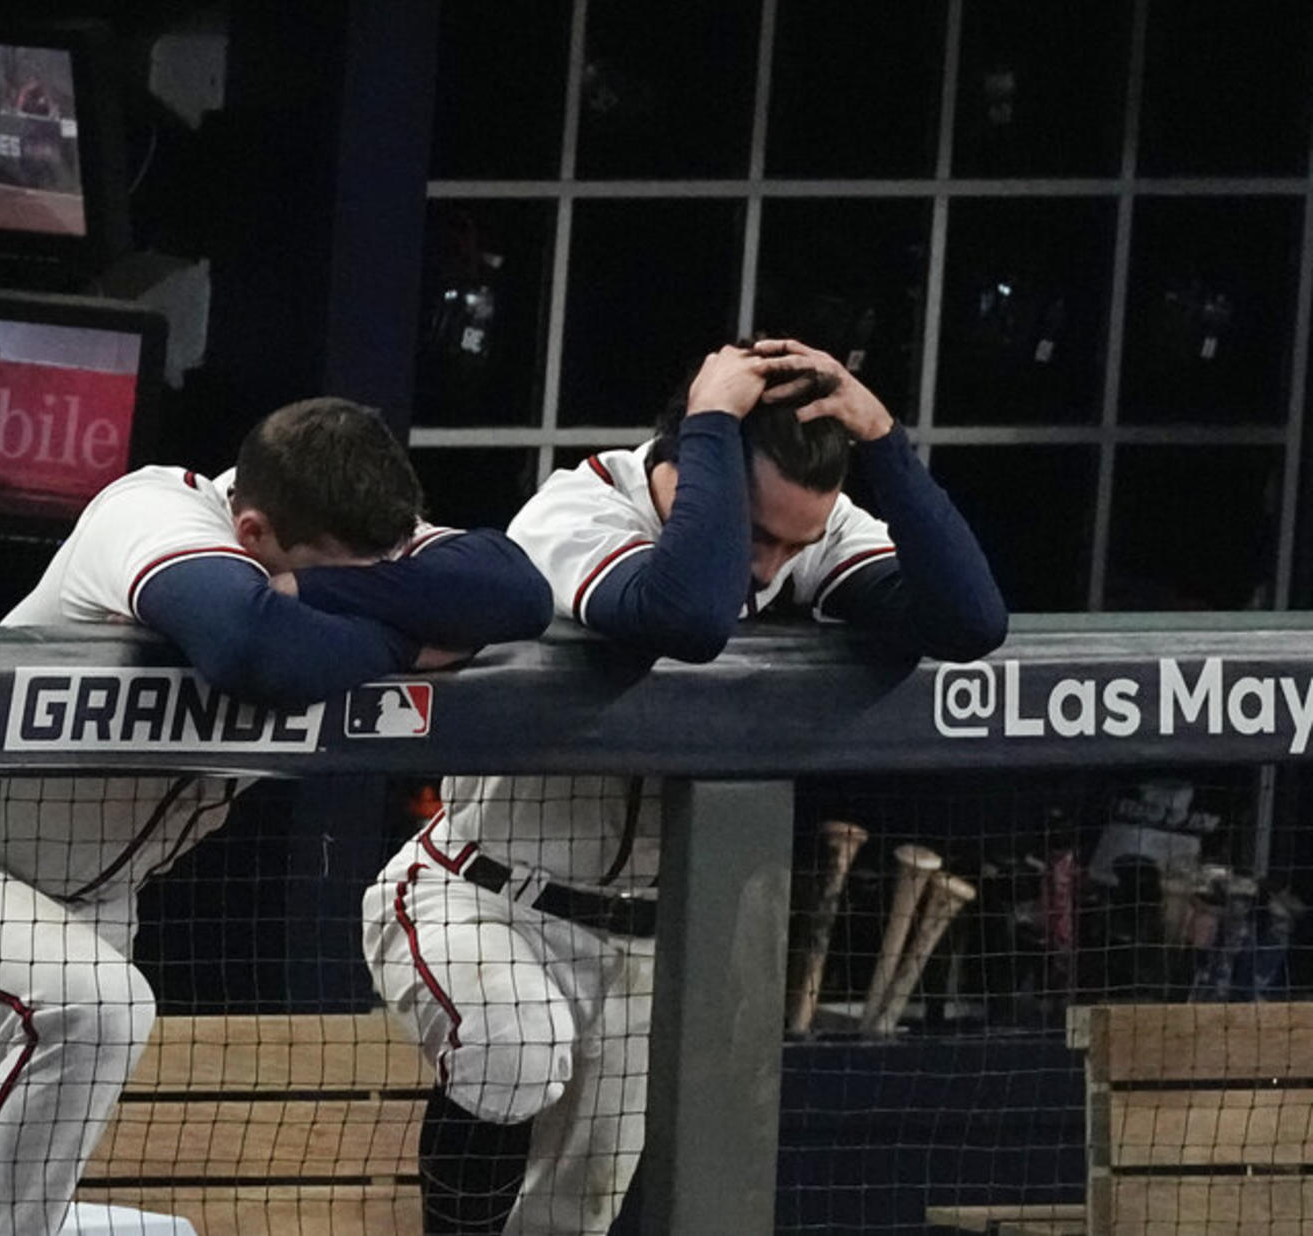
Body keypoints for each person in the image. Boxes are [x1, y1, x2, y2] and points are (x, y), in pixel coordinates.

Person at [0, 396, 553, 1236]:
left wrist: (324, 590)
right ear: (253, 531)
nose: (382, 581)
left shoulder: (351, 524)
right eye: (345, 572)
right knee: (103, 1006)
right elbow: (253, 644)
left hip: (84, 912)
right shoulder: (153, 510)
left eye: (390, 568)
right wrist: (407, 640)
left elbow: (516, 593)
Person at [362, 337, 1007, 1235]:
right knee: (515, 1048)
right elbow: (688, 616)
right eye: (756, 533)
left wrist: (886, 443)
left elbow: (971, 620)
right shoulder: (579, 507)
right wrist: (710, 422)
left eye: (796, 543)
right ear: (685, 465)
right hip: (486, 896)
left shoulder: (796, 532)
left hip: (645, 947)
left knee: (569, 1221)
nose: (771, 567)